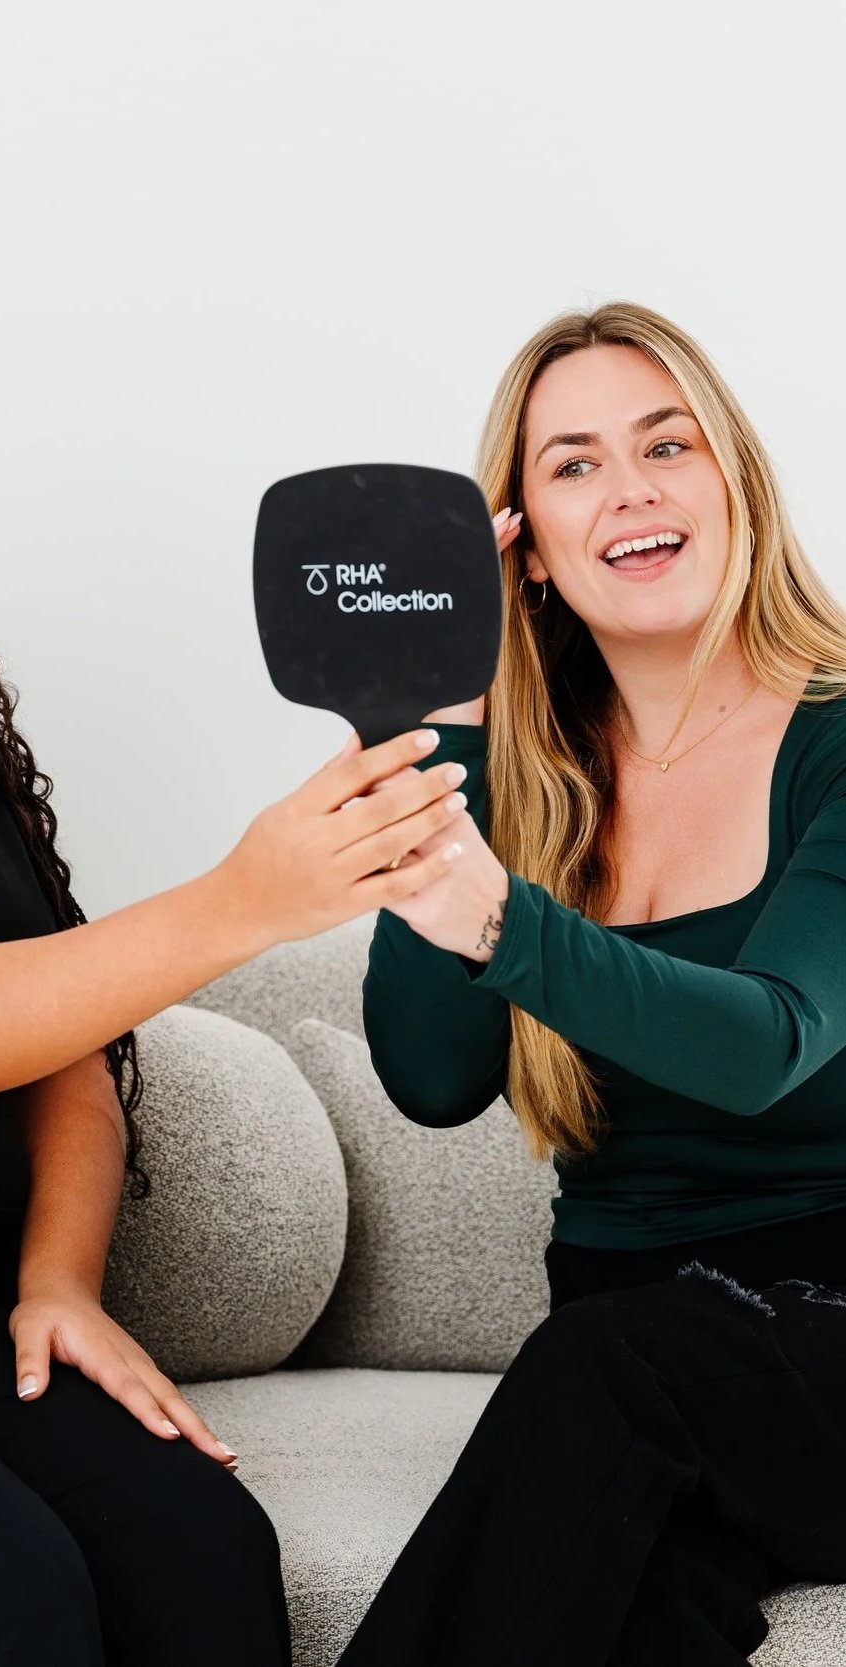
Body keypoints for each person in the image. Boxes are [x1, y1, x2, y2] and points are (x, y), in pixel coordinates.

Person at [0, 346, 470, 1666]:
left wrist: (57, 1283)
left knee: (200, 1553)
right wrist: (239, 904)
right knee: (2, 1601)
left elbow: (65, 1051)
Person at [336, 300, 846, 1666]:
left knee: (605, 1369)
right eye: (570, 463)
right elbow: (434, 1079)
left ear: (730, 477)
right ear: (527, 552)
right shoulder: (525, 780)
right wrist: (448, 742)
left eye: (664, 445)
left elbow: (768, 1042)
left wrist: (501, 918)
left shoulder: (839, 739)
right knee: (633, 1607)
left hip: (817, 1347)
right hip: (643, 1358)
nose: (627, 488)